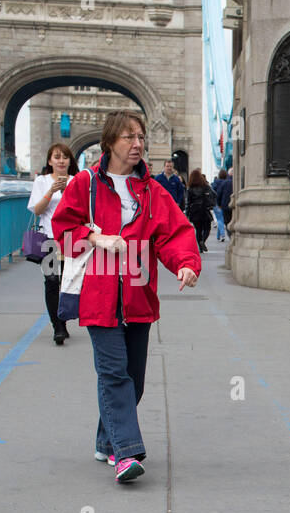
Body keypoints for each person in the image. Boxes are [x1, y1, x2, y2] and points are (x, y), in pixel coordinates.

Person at [52, 110, 201, 484]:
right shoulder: (84, 184)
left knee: (134, 379)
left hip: (138, 295)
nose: (137, 145)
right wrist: (95, 237)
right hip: (98, 295)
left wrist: (186, 264)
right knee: (115, 374)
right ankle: (126, 453)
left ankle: (106, 440)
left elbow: (173, 233)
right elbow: (62, 234)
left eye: (141, 137)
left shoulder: (151, 190)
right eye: (129, 138)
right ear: (109, 143)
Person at [28, 143, 79, 344]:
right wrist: (51, 191)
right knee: (51, 282)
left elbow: (80, 211)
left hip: (70, 238)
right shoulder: (41, 181)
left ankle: (63, 321)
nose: (61, 160)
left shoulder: (77, 181)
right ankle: (57, 327)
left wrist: (67, 192)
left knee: (67, 282)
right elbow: (37, 210)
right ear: (50, 161)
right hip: (49, 238)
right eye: (56, 157)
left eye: (65, 157)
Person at [186, 168, 216, 252]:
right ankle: (203, 240)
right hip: (204, 209)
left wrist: (187, 214)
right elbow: (214, 194)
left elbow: (188, 202)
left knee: (198, 229)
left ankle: (200, 248)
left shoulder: (190, 188)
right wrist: (211, 204)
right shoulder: (205, 186)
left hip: (194, 211)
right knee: (207, 228)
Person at [211, 168, 231, 241]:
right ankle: (218, 236)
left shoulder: (216, 182)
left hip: (217, 202)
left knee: (219, 219)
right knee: (221, 219)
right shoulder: (227, 182)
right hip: (225, 202)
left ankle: (222, 235)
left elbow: (214, 192)